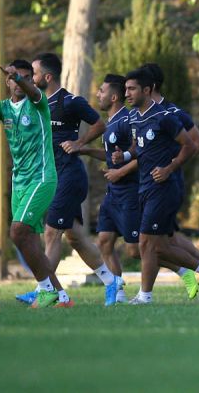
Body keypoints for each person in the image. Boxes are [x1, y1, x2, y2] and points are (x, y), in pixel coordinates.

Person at [0, 60, 72, 308]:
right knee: (28, 241)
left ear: (31, 80)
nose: (19, 81)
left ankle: (46, 291)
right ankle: (62, 297)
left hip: (41, 178)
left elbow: (33, 92)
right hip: (19, 182)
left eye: (26, 77)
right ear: (6, 81)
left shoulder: (38, 101)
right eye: (13, 77)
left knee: (17, 231)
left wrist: (19, 78)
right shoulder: (3, 107)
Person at [16, 52, 118, 307]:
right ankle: (111, 281)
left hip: (69, 176)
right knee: (75, 237)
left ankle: (45, 290)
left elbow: (99, 124)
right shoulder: (36, 104)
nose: (31, 78)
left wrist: (79, 142)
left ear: (47, 77)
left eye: (34, 74)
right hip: (50, 178)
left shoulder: (70, 102)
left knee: (52, 232)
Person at [124, 68, 199, 304]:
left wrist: (169, 168)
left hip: (164, 187)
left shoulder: (164, 116)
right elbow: (139, 147)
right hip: (145, 186)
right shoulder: (134, 117)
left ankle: (147, 295)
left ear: (146, 90)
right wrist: (125, 156)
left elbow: (190, 145)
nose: (126, 93)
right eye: (125, 89)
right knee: (156, 246)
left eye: (131, 89)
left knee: (147, 243)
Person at [80, 75, 139, 304]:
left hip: (130, 191)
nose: (98, 95)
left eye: (102, 91)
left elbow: (142, 153)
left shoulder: (128, 119)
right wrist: (85, 150)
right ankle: (119, 294)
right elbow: (110, 156)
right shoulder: (110, 123)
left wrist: (120, 171)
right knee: (104, 241)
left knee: (136, 250)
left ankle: (187, 270)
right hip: (113, 192)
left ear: (114, 97)